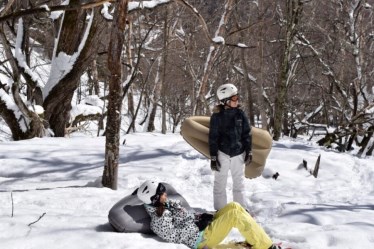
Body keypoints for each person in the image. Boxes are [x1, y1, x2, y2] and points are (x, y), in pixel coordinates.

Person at [137, 180, 282, 249]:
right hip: (201, 240)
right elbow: (175, 237)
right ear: (154, 199)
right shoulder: (159, 220)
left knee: (234, 206)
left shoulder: (168, 204)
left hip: (202, 230)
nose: (164, 192)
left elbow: (186, 218)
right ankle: (267, 247)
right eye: (161, 192)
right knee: (235, 215)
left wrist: (202, 217)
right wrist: (198, 226)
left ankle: (256, 239)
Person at [209, 83, 252, 210]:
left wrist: (249, 151)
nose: (237, 100)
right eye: (234, 98)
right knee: (219, 183)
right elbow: (213, 137)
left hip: (238, 153)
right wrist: (213, 157)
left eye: (237, 97)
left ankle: (241, 210)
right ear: (225, 100)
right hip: (222, 154)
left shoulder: (241, 114)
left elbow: (247, 134)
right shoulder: (216, 117)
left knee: (239, 183)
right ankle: (221, 212)